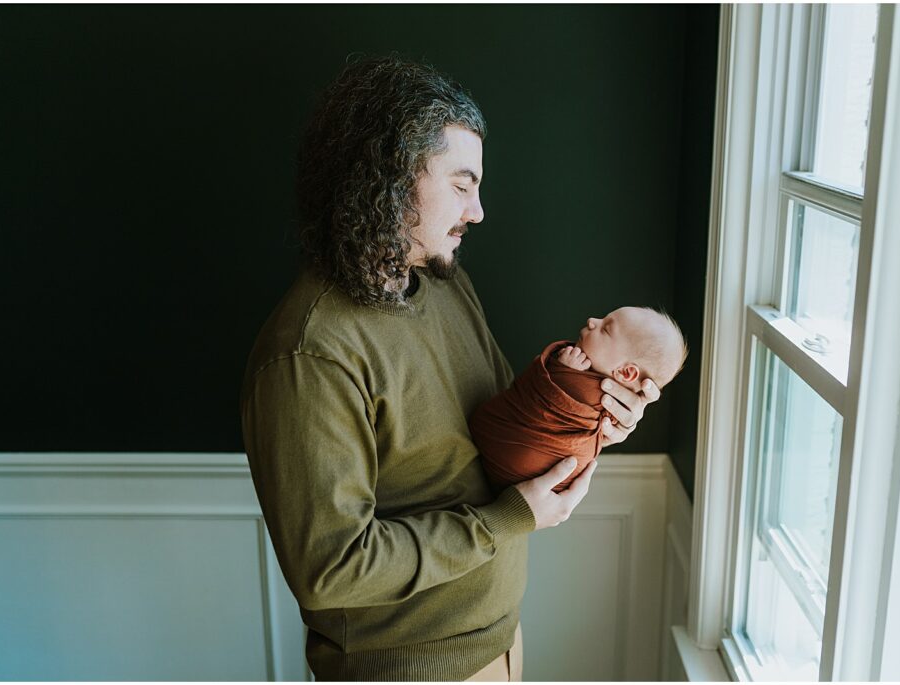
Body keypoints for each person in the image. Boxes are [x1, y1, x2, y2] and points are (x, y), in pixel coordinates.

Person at [239, 55, 659, 682]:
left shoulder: (440, 282)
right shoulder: (310, 354)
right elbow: (332, 569)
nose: (479, 210)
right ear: (387, 178)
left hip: (500, 646)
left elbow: (490, 432)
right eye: (462, 185)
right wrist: (509, 520)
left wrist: (587, 417)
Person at [470, 306, 687, 493]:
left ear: (626, 373)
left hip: (520, 459)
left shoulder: (590, 390)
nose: (592, 321)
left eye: (607, 329)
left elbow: (554, 394)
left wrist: (561, 369)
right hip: (540, 480)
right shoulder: (610, 401)